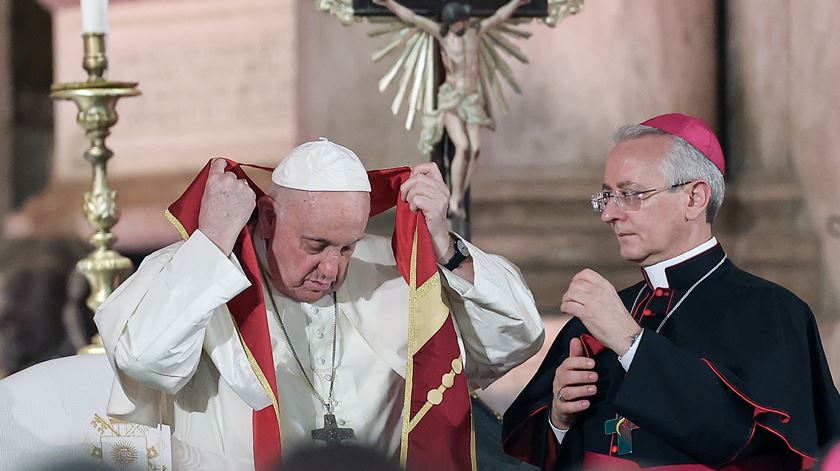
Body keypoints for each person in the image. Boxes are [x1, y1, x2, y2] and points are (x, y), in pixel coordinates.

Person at [95, 139, 544, 471]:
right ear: (269, 217)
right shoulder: (196, 270)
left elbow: (515, 338)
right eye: (316, 245)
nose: (332, 269)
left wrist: (446, 247)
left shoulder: (391, 273)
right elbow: (144, 359)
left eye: (346, 248)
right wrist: (212, 243)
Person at [502, 113, 840, 469]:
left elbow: (751, 441)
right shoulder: (608, 310)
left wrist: (631, 342)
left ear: (695, 198)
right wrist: (558, 418)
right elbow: (535, 447)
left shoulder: (773, 312)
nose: (609, 214)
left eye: (631, 194)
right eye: (607, 196)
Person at [373, 0, 530, 216]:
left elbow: (499, 17)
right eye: (461, 20)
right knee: (463, 147)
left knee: (475, 149)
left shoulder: (474, 32)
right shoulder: (442, 34)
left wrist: (516, 2)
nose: (466, 22)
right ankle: (455, 199)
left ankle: (459, 194)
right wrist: (389, 3)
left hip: (471, 99)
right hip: (452, 98)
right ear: (452, 22)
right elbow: (412, 17)